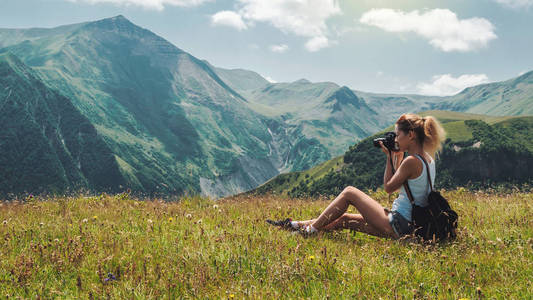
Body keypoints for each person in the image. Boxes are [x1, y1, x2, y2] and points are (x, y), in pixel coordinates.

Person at [266, 113, 446, 239]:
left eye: (398, 135)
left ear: (411, 135)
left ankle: (309, 231)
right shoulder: (428, 159)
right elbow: (407, 187)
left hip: (399, 223)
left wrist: (390, 157)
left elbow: (389, 188)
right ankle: (294, 225)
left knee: (349, 192)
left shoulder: (411, 161)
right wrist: (396, 157)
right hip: (409, 223)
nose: (396, 140)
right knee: (344, 220)